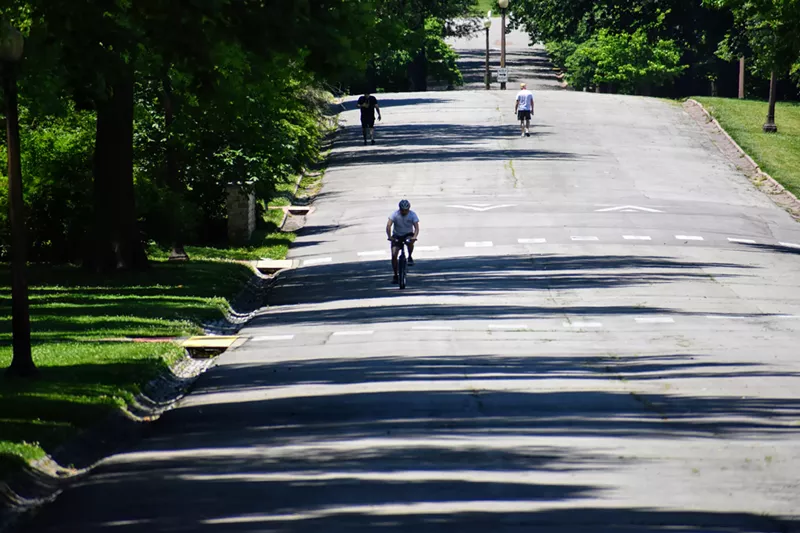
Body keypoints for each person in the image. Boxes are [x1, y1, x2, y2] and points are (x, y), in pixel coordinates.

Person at [386, 199, 420, 284]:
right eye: (402, 210)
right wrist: (390, 237)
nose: (404, 212)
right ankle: (395, 275)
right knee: (394, 254)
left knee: (410, 242)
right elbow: (389, 225)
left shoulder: (412, 215)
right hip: (397, 235)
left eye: (406, 210)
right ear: (399, 209)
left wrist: (414, 237)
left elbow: (416, 227)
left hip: (408, 234)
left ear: (409, 209)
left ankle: (410, 256)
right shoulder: (395, 214)